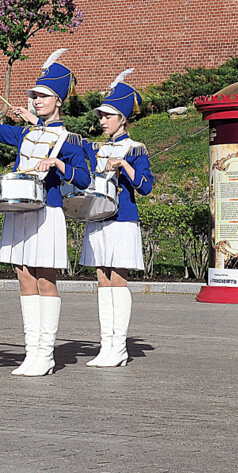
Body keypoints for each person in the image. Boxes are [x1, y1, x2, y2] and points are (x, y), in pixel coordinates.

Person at [0, 49, 91, 376]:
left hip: (46, 211)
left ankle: (46, 353)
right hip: (18, 209)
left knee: (44, 277)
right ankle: (31, 351)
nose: (37, 101)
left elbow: (84, 177)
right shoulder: (25, 133)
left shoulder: (69, 139)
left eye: (44, 96)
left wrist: (59, 162)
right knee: (23, 275)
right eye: (34, 96)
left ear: (58, 101)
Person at [80, 69, 153, 368]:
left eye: (108, 116)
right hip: (99, 218)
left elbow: (146, 186)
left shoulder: (135, 148)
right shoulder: (97, 147)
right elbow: (68, 143)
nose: (102, 121)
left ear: (122, 118)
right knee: (101, 277)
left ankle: (119, 347)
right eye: (101, 116)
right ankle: (106, 345)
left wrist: (124, 164)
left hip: (122, 218)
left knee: (117, 278)